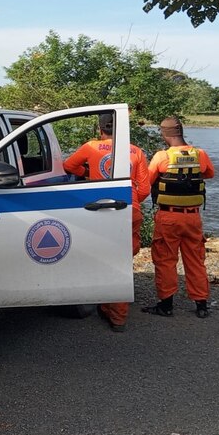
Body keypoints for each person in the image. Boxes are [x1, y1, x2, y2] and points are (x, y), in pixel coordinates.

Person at [63, 113, 150, 332]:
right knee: (122, 260)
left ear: (100, 129)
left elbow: (68, 166)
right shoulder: (135, 151)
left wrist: (89, 175)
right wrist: (132, 202)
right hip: (130, 209)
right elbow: (145, 188)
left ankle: (115, 313)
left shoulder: (91, 147)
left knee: (104, 260)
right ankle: (113, 311)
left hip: (99, 210)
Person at [142, 116, 215, 319]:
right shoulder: (200, 154)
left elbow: (146, 181)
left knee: (165, 260)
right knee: (195, 260)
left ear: (165, 135)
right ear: (181, 132)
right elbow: (209, 173)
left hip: (168, 217)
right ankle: (201, 305)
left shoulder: (161, 157)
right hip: (193, 217)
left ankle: (166, 306)